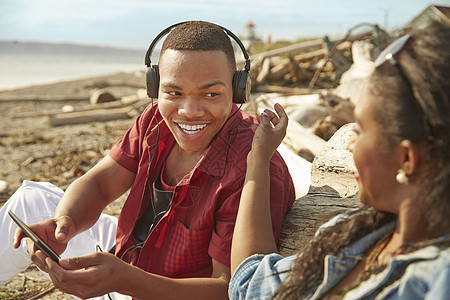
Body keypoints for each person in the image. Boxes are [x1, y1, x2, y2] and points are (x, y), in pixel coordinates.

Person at [0, 21, 295, 299]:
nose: (189, 110)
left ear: (238, 89)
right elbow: (102, 183)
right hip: (121, 265)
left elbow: (230, 289)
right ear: (155, 88)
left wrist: (124, 280)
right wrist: (64, 225)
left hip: (161, 291)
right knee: (31, 199)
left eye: (210, 93)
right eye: (173, 92)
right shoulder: (154, 120)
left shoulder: (254, 161)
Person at [229, 21, 450, 299]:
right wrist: (258, 158)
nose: (349, 144)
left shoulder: (438, 281)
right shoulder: (356, 236)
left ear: (407, 158)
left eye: (360, 129)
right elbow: (251, 283)